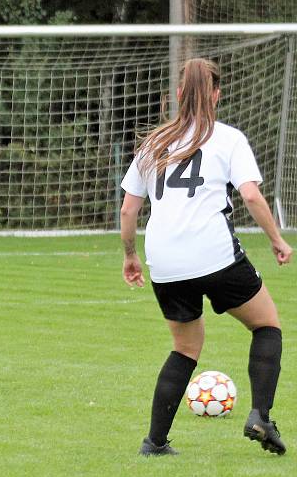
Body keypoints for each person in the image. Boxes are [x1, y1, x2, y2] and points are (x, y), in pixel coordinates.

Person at [120, 58, 292, 456]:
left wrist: (130, 255)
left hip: (163, 260)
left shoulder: (154, 142)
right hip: (214, 255)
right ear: (216, 94)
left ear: (179, 93)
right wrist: (277, 241)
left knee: (185, 347)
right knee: (267, 325)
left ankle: (154, 443)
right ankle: (261, 416)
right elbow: (249, 195)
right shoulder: (228, 138)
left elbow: (129, 210)